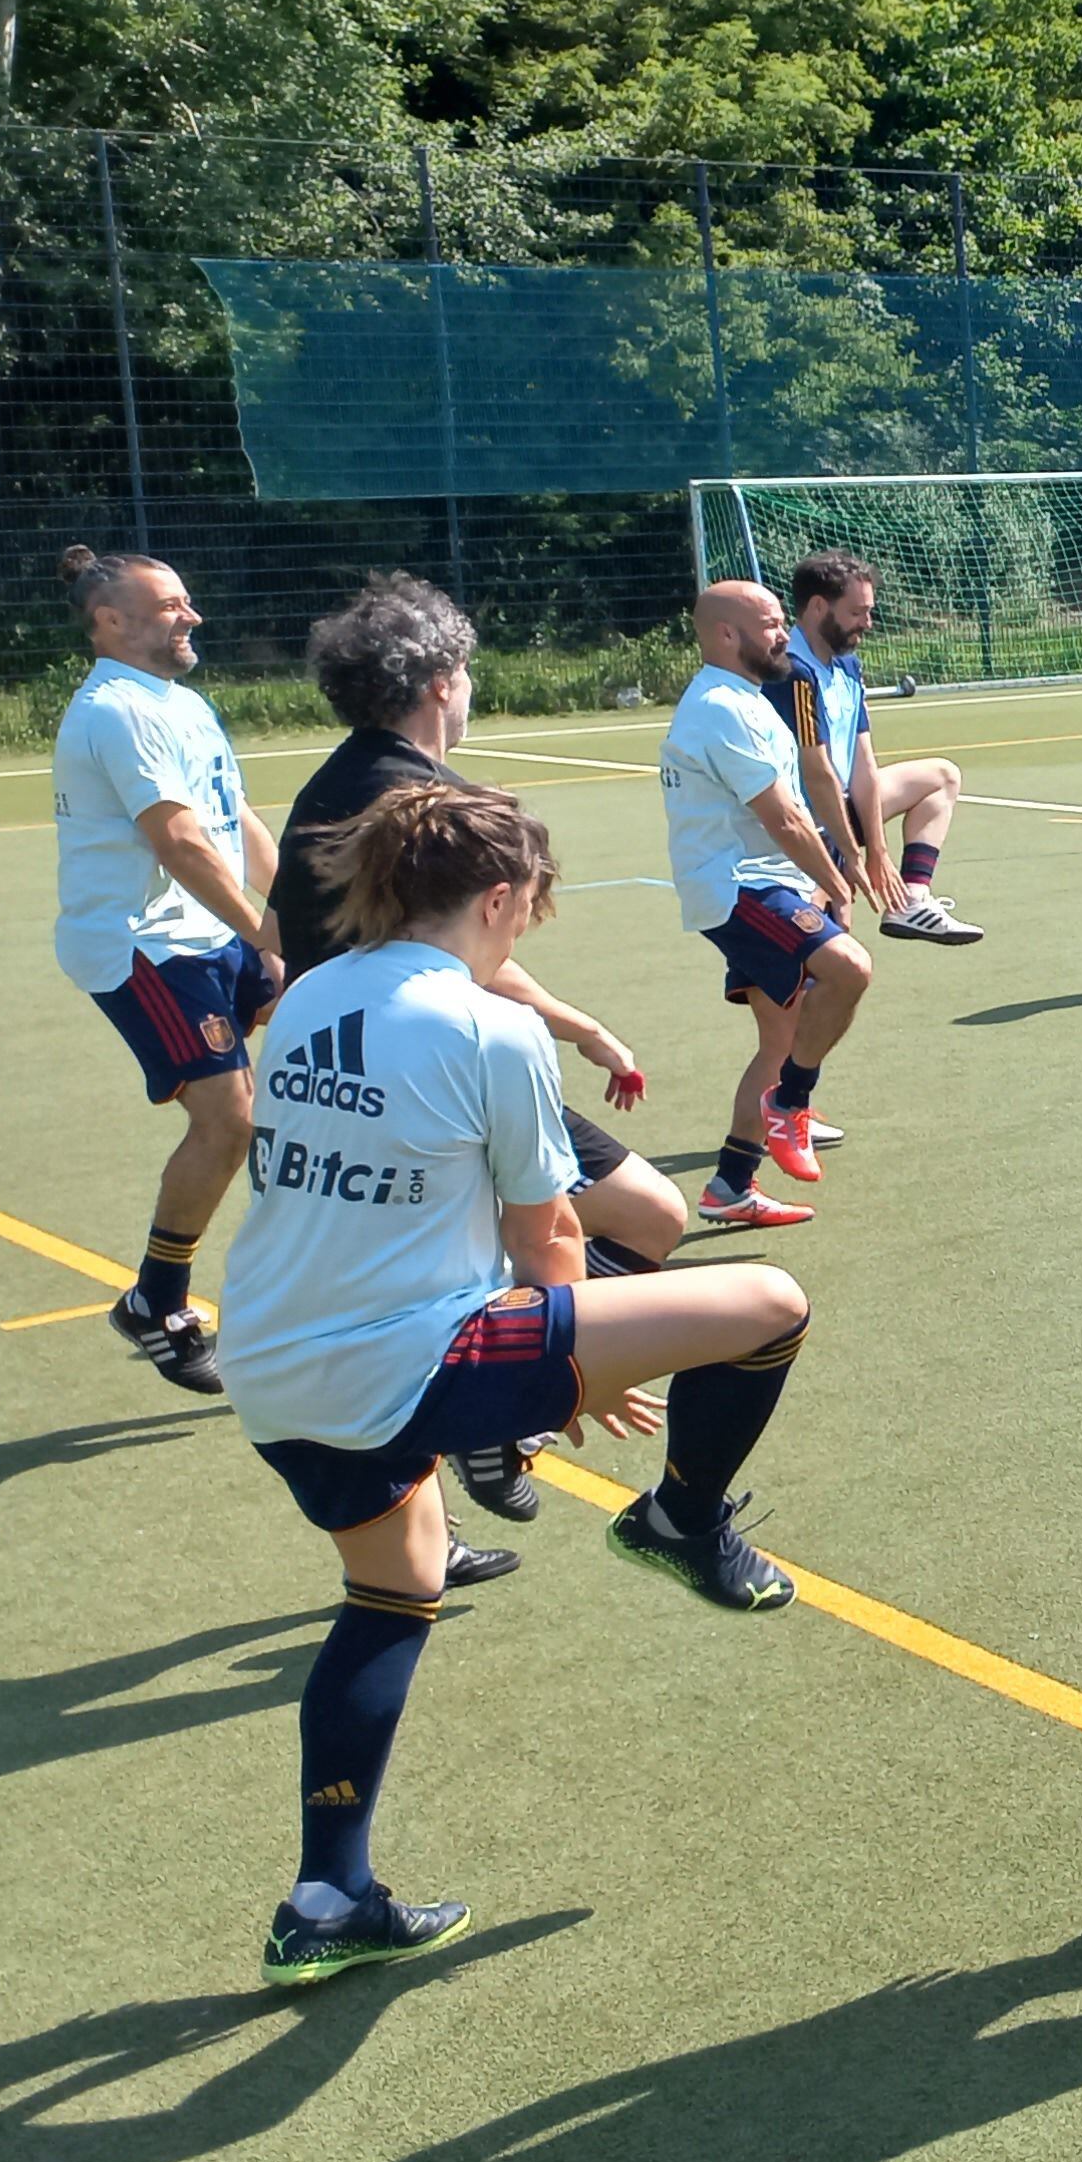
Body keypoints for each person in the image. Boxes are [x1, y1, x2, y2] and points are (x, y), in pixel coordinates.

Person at [224, 777, 819, 1981]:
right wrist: (581, 1369)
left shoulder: (308, 994)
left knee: (390, 1594)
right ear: (499, 898)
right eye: (531, 904)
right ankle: (680, 1517)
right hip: (399, 1360)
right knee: (767, 1306)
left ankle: (327, 1897)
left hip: (271, 1367)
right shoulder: (491, 1029)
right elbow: (548, 1241)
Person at [276, 572, 690, 1537]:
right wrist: (578, 1026)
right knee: (645, 1218)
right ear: (440, 682)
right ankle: (499, 1401)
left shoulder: (328, 785)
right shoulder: (422, 802)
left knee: (408, 1307)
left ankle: (466, 1437)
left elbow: (282, 928)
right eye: (466, 673)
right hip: (432, 1073)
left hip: (346, 1068)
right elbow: (460, 959)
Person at [49, 548, 280, 1395]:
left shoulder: (179, 702)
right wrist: (264, 930)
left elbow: (233, 815)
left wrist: (293, 918)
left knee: (314, 1041)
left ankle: (312, 1258)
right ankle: (158, 1300)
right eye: (173, 605)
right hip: (142, 945)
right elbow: (179, 842)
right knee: (229, 1118)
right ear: (112, 621)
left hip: (204, 933)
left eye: (188, 601)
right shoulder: (117, 711)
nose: (193, 617)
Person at [658, 578, 876, 1230]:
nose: (784, 636)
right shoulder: (721, 706)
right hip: (738, 888)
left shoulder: (748, 699)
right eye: (773, 624)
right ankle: (792, 1104)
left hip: (764, 880)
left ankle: (731, 1183)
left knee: (781, 1037)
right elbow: (783, 818)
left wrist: (821, 876)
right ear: (728, 634)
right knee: (850, 968)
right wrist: (840, 881)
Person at [778, 551, 982, 945]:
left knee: (940, 777)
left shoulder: (848, 666)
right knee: (825, 950)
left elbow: (863, 766)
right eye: (857, 612)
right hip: (798, 827)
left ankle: (911, 900)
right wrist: (852, 856)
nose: (867, 624)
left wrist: (878, 851)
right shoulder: (792, 672)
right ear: (819, 607)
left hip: (837, 813)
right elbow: (816, 775)